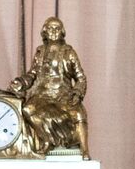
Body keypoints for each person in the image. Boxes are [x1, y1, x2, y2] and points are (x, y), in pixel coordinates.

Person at [9, 16, 90, 156]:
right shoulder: (40, 52)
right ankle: (46, 139)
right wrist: (21, 82)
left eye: (57, 28)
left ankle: (85, 150)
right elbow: (32, 74)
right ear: (44, 31)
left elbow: (80, 77)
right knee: (27, 109)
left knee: (78, 113)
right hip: (42, 95)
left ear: (62, 32)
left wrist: (77, 92)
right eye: (50, 28)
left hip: (63, 95)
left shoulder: (69, 52)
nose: (54, 31)